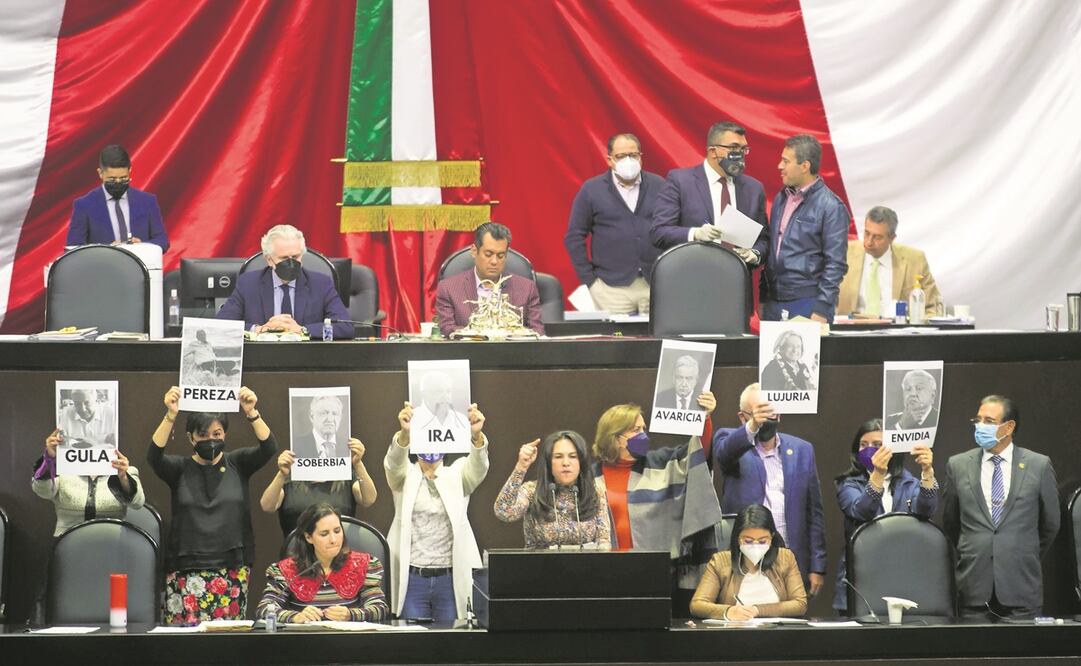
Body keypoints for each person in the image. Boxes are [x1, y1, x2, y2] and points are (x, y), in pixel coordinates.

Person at [149, 385, 277, 625]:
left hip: (231, 569)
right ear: (190, 437)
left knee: (226, 646)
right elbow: (153, 456)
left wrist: (251, 412)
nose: (211, 440)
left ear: (225, 435)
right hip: (185, 570)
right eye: (203, 435)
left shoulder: (238, 463)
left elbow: (269, 447)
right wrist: (170, 415)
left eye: (217, 434)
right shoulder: (178, 469)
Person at [592, 395, 721, 616]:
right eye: (635, 430)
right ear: (614, 436)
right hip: (605, 572)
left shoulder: (661, 463)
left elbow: (696, 454)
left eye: (644, 428)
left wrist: (704, 418)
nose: (643, 435)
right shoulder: (590, 477)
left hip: (654, 573)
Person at [943, 395, 1060, 620]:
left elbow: (1050, 524)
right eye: (978, 420)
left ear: (1009, 426)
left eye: (988, 421)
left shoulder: (1039, 465)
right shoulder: (958, 465)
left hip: (1021, 589)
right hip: (973, 589)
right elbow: (951, 523)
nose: (980, 426)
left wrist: (1019, 551)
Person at [713, 383, 827, 597]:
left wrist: (817, 566)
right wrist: (753, 425)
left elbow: (814, 512)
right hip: (744, 560)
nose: (766, 417)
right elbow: (724, 454)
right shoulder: (729, 440)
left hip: (789, 560)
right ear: (742, 417)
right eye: (759, 411)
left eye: (770, 411)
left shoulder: (803, 450)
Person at [384, 400, 490, 621]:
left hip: (449, 579)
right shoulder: (405, 475)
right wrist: (404, 434)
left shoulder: (458, 472)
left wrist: (476, 436)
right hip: (413, 578)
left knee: (451, 647)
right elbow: (393, 463)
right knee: (414, 647)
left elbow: (478, 467)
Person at [832, 418, 938, 613]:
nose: (869, 449)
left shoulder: (909, 483)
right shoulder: (848, 483)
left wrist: (927, 472)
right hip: (862, 577)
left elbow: (927, 511)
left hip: (903, 574)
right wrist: (878, 475)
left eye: (877, 445)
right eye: (863, 445)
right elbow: (862, 512)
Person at [563, 133, 664, 314]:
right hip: (611, 289)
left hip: (654, 285)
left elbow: (672, 229)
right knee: (618, 340)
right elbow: (574, 236)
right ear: (609, 160)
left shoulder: (660, 186)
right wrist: (591, 282)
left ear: (641, 157)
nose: (628, 160)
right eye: (620, 156)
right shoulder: (591, 189)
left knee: (656, 340)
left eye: (633, 155)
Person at [650, 121, 769, 266]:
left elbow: (763, 240)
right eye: (733, 147)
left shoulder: (753, 189)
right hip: (691, 275)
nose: (740, 154)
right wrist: (695, 234)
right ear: (713, 151)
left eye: (743, 149)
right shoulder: (681, 182)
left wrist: (755, 254)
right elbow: (659, 232)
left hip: (736, 279)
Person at [761, 134, 849, 323]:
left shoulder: (831, 207)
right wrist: (763, 297)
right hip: (773, 302)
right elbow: (771, 249)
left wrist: (823, 309)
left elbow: (836, 264)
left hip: (808, 303)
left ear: (805, 166)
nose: (779, 166)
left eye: (786, 161)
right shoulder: (780, 199)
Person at [256, 503, 388, 623]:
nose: (333, 539)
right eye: (324, 534)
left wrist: (350, 614)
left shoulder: (364, 565)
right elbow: (264, 609)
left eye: (337, 531)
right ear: (308, 537)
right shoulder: (286, 570)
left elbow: (379, 608)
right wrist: (295, 616)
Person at [217, 224, 353, 339]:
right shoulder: (248, 284)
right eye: (283, 258)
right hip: (261, 359)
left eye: (295, 256)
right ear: (269, 259)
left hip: (308, 360)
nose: (291, 262)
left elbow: (346, 327)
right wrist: (259, 329)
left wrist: (302, 330)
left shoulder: (321, 284)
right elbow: (222, 325)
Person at [494, 431, 611, 549]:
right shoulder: (532, 490)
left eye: (573, 456)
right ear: (549, 462)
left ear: (581, 461)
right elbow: (504, 512)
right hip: (540, 565)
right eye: (558, 457)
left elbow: (604, 541)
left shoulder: (594, 491)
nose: (566, 463)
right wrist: (521, 467)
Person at [690, 504, 807, 619]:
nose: (755, 546)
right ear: (738, 538)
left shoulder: (785, 558)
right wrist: (728, 611)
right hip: (735, 634)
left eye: (762, 541)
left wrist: (757, 610)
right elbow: (697, 605)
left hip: (776, 634)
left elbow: (800, 604)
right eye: (748, 541)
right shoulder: (721, 561)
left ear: (772, 537)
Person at [434, 222, 544, 336]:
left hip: (513, 352)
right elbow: (447, 330)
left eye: (500, 256)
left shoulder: (527, 288)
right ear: (474, 251)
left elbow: (537, 331)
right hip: (468, 352)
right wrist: (485, 333)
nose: (494, 261)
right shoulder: (448, 288)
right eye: (488, 254)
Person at [32, 427, 144, 536]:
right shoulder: (63, 470)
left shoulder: (124, 471)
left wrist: (123, 477)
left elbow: (137, 503)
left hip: (112, 543)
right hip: (69, 544)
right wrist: (49, 460)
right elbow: (42, 490)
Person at [260, 437, 377, 538]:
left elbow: (369, 499)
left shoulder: (344, 477)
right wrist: (281, 474)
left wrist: (358, 464)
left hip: (338, 554)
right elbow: (267, 506)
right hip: (296, 555)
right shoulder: (291, 477)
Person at [836, 206, 942, 317]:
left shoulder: (915, 260)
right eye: (867, 233)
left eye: (877, 237)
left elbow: (934, 307)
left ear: (892, 238)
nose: (868, 242)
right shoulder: (843, 253)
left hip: (897, 332)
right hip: (849, 330)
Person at [66, 144, 169, 251]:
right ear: (100, 173)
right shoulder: (84, 205)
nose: (118, 182)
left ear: (129, 171)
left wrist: (142, 246)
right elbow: (73, 248)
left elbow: (162, 241)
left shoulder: (147, 201)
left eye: (124, 178)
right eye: (112, 179)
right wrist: (107, 250)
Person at [292, 394, 350, 459]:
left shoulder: (348, 447)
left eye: (335, 413)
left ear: (340, 417)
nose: (330, 419)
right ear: (312, 416)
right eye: (324, 413)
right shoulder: (296, 447)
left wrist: (357, 462)